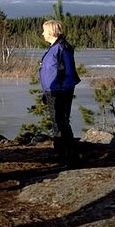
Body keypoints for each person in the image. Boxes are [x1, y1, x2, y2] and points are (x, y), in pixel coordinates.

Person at [39, 19, 80, 167]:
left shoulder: (63, 47)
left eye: (44, 30)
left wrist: (62, 89)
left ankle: (70, 155)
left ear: (51, 31)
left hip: (60, 91)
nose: (42, 33)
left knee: (61, 121)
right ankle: (60, 153)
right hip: (52, 90)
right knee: (57, 122)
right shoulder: (53, 47)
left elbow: (68, 71)